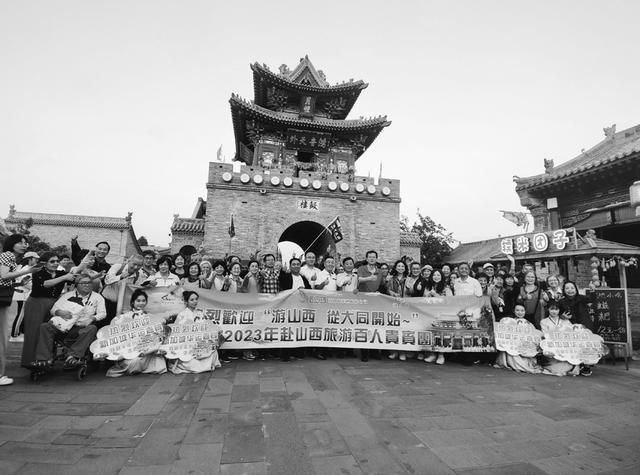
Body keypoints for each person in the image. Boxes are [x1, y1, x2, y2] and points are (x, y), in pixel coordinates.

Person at [32, 272, 106, 369]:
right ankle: (44, 360)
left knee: (92, 328)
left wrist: (92, 318)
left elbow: (103, 313)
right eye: (83, 283)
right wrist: (59, 312)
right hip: (62, 325)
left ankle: (72, 357)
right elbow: (53, 310)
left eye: (89, 282)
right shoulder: (67, 295)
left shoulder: (97, 297)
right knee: (45, 326)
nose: (87, 285)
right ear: (77, 285)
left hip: (80, 327)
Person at [21, 252, 76, 369]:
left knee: (48, 330)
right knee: (34, 332)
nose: (55, 263)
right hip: (36, 305)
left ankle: (46, 358)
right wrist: (64, 277)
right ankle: (30, 360)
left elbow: (77, 276)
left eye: (57, 261)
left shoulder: (61, 273)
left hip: (53, 304)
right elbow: (46, 284)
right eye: (52, 261)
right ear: (45, 263)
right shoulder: (38, 273)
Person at [106, 289, 168, 377]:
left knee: (159, 363)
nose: (141, 303)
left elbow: (161, 322)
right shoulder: (125, 316)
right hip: (131, 348)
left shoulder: (149, 316)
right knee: (135, 362)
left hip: (146, 348)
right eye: (138, 301)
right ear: (133, 302)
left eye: (143, 301)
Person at [0, 234, 36, 385]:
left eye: (25, 243)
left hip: (4, 297)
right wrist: (28, 271)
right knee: (2, 337)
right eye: (20, 242)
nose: (24, 245)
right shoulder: (8, 255)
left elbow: (4, 280)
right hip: (2, 298)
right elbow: (4, 275)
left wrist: (20, 283)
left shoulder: (11, 258)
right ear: (11, 244)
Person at [169, 291, 223, 374]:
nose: (195, 301)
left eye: (196, 299)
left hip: (200, 342)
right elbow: (176, 332)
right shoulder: (182, 315)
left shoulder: (200, 313)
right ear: (186, 302)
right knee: (194, 364)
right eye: (192, 300)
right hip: (188, 344)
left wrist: (216, 330)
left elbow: (208, 326)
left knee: (212, 350)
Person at [557, 281, 597, 377]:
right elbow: (558, 313)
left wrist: (592, 290)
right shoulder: (561, 302)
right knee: (574, 346)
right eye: (567, 288)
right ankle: (576, 365)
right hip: (570, 326)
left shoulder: (582, 298)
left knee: (585, 346)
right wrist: (562, 316)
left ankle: (586, 366)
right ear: (564, 290)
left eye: (572, 288)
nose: (570, 290)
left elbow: (592, 299)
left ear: (576, 289)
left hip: (585, 325)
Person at [494, 304, 542, 374]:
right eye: (517, 310)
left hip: (524, 346)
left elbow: (533, 336)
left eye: (522, 310)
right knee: (511, 353)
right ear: (514, 311)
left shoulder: (529, 323)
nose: (520, 312)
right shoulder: (509, 321)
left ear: (525, 311)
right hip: (513, 345)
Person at [538, 301, 577, 376]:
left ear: (559, 310)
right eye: (552, 309)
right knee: (555, 365)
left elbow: (571, 333)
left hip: (564, 345)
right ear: (548, 309)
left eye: (556, 309)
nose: (554, 311)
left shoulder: (565, 320)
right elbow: (545, 334)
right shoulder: (544, 321)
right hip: (551, 345)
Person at [10, 251, 39, 341]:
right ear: (30, 259)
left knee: (24, 315)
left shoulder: (26, 268)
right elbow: (26, 283)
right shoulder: (25, 269)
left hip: (24, 294)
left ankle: (21, 332)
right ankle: (14, 335)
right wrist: (38, 287)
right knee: (21, 315)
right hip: (23, 295)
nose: (37, 260)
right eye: (35, 258)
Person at [423, 269, 450, 365]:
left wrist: (435, 295)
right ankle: (432, 354)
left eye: (438, 275)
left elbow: (450, 301)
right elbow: (423, 299)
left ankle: (441, 355)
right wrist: (427, 295)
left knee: (441, 334)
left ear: (442, 277)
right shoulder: (428, 287)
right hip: (430, 313)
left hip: (442, 314)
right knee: (431, 333)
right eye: (434, 275)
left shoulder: (446, 288)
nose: (436, 277)